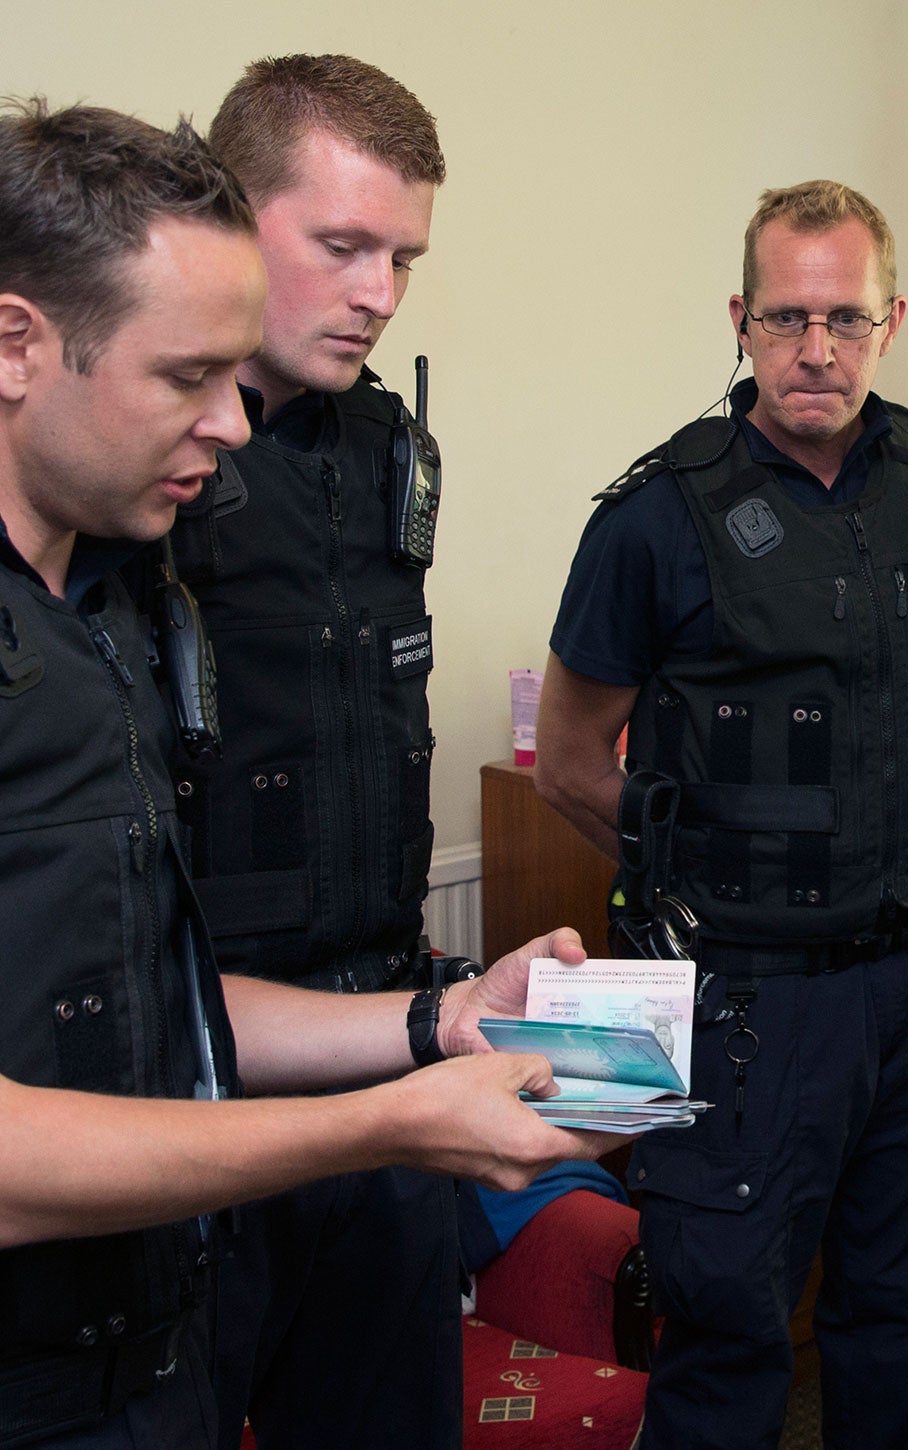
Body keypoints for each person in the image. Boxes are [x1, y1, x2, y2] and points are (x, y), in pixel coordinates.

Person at [0, 98, 601, 1450]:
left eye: (407, 258)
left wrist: (434, 1023)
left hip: (179, 1252)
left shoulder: (87, 620)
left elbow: (171, 993)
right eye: (183, 378)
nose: (227, 429)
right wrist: (386, 1116)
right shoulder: (103, 562)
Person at [537, 179, 908, 1449]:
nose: (817, 349)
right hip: (739, 1007)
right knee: (724, 1350)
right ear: (739, 320)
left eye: (846, 319)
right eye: (787, 317)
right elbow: (571, 763)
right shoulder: (653, 518)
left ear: (891, 319)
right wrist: (703, 892)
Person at [149, 56, 461, 1450]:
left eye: (402, 256)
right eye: (343, 246)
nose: (380, 291)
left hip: (381, 1052)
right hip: (191, 1087)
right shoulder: (126, 458)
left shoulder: (386, 443)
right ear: (230, 213)